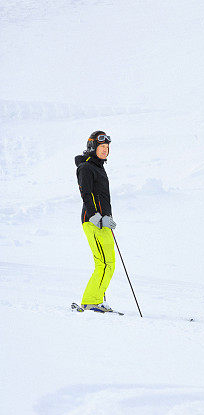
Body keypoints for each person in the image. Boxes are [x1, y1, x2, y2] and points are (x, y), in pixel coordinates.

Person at [75, 131, 117, 312]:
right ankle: (89, 301)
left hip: (104, 222)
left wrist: (108, 217)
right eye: (102, 147)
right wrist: (95, 216)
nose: (105, 150)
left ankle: (97, 300)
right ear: (92, 147)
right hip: (93, 221)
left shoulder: (100, 168)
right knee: (102, 262)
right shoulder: (86, 167)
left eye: (107, 148)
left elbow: (102, 197)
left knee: (110, 263)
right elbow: (86, 193)